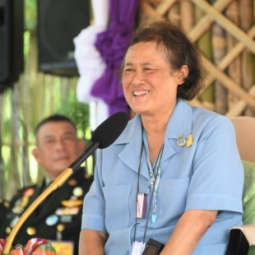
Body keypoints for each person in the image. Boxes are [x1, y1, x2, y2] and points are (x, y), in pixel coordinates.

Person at [79, 21, 244, 254]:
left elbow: (201, 217)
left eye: (148, 69)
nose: (136, 80)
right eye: (129, 70)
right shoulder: (111, 141)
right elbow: (92, 230)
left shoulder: (212, 130)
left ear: (180, 74)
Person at [0, 114, 93, 255]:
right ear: (37, 155)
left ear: (81, 146)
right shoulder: (22, 198)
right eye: (50, 141)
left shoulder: (96, 190)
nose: (60, 147)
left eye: (67, 138)